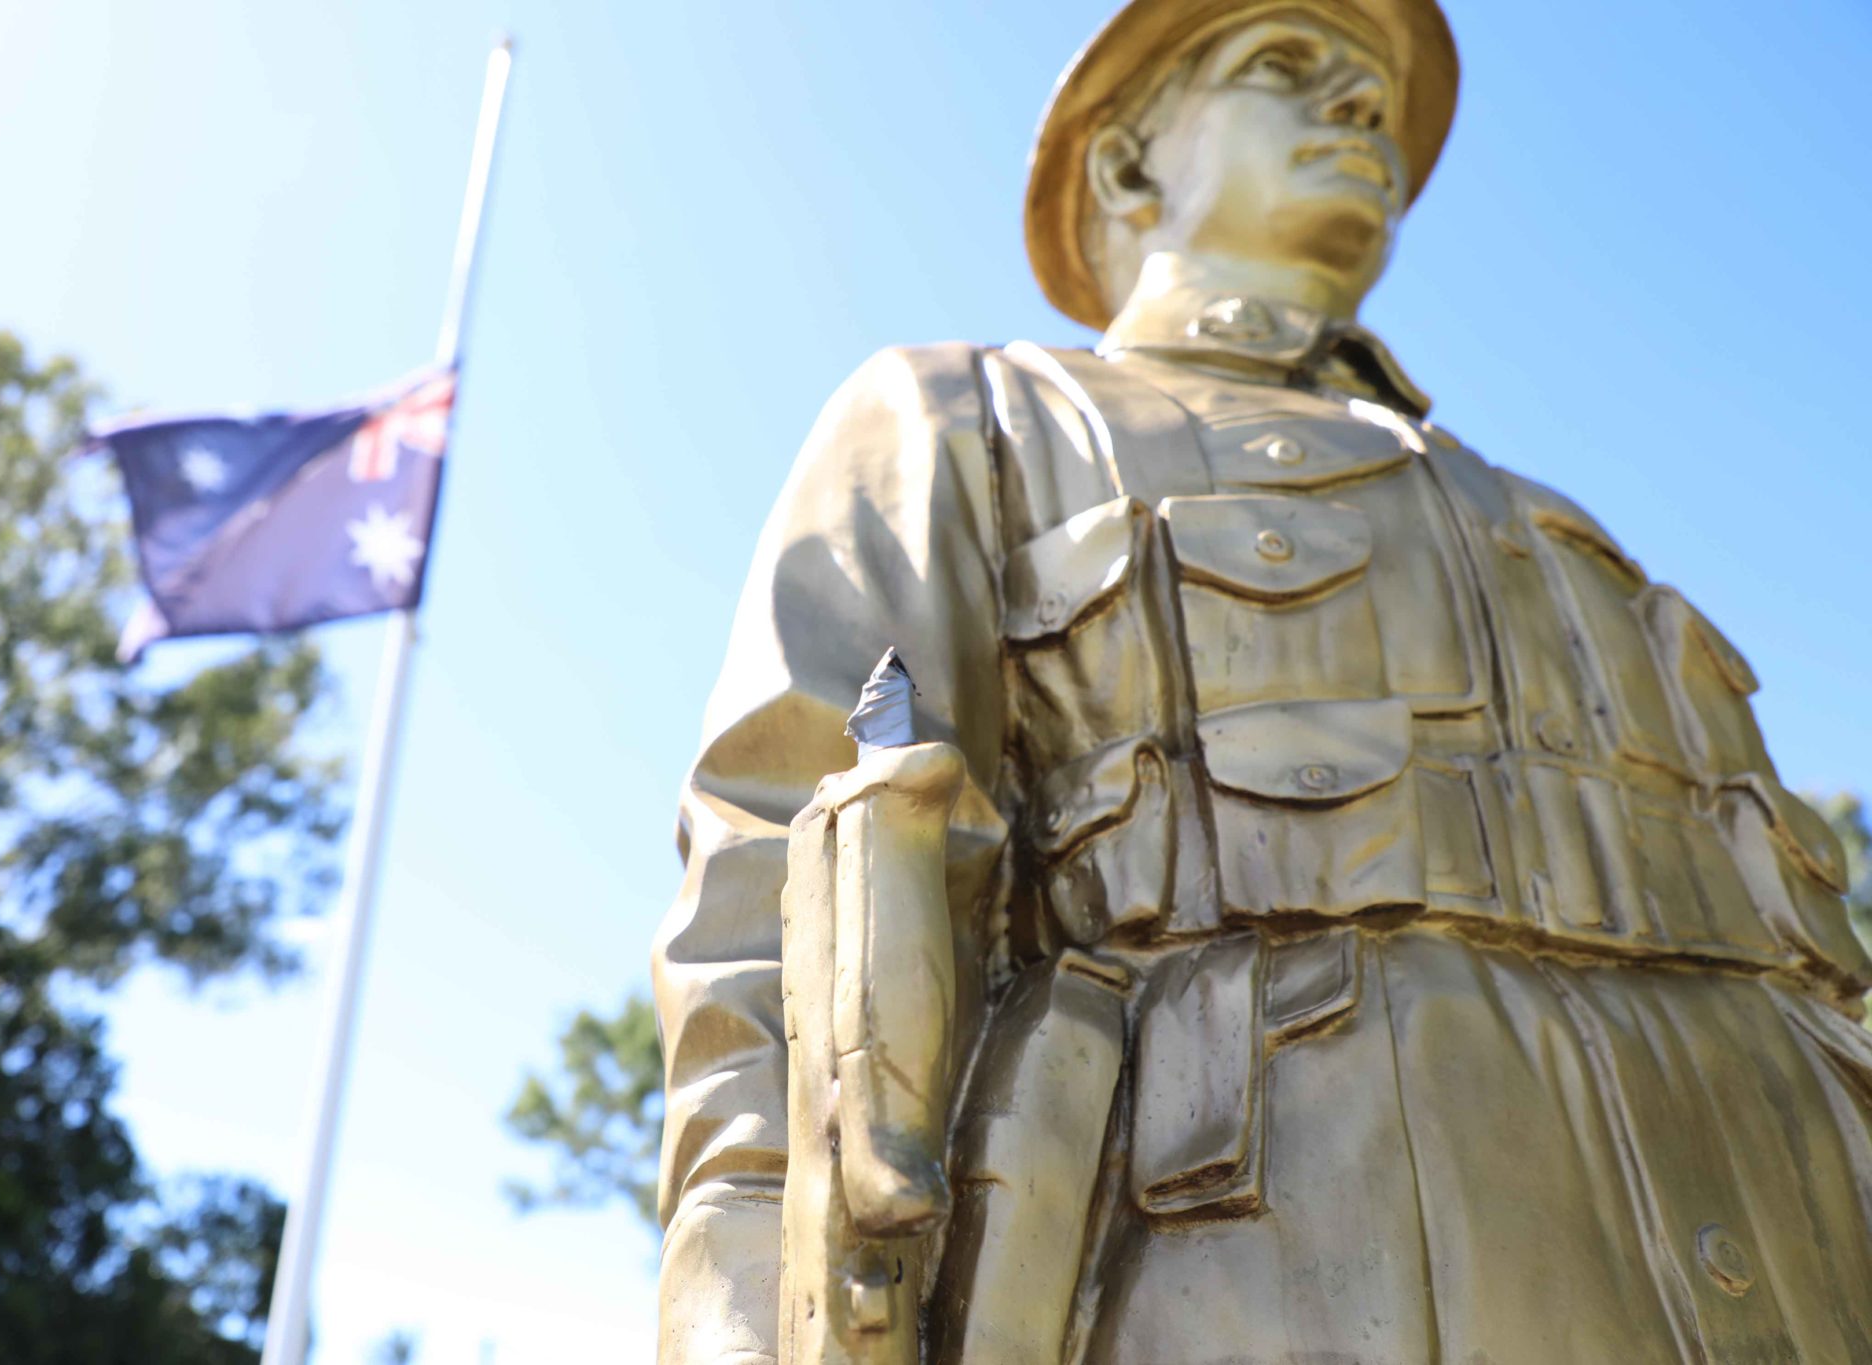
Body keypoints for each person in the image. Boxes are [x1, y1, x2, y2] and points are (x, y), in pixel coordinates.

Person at [652, 2, 1872, 1360]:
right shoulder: (979, 419)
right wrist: (752, 1296)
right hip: (1238, 1267)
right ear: (1127, 169)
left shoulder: (1562, 532)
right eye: (1290, 67)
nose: (1360, 114)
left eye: (1375, 101)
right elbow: (783, 881)